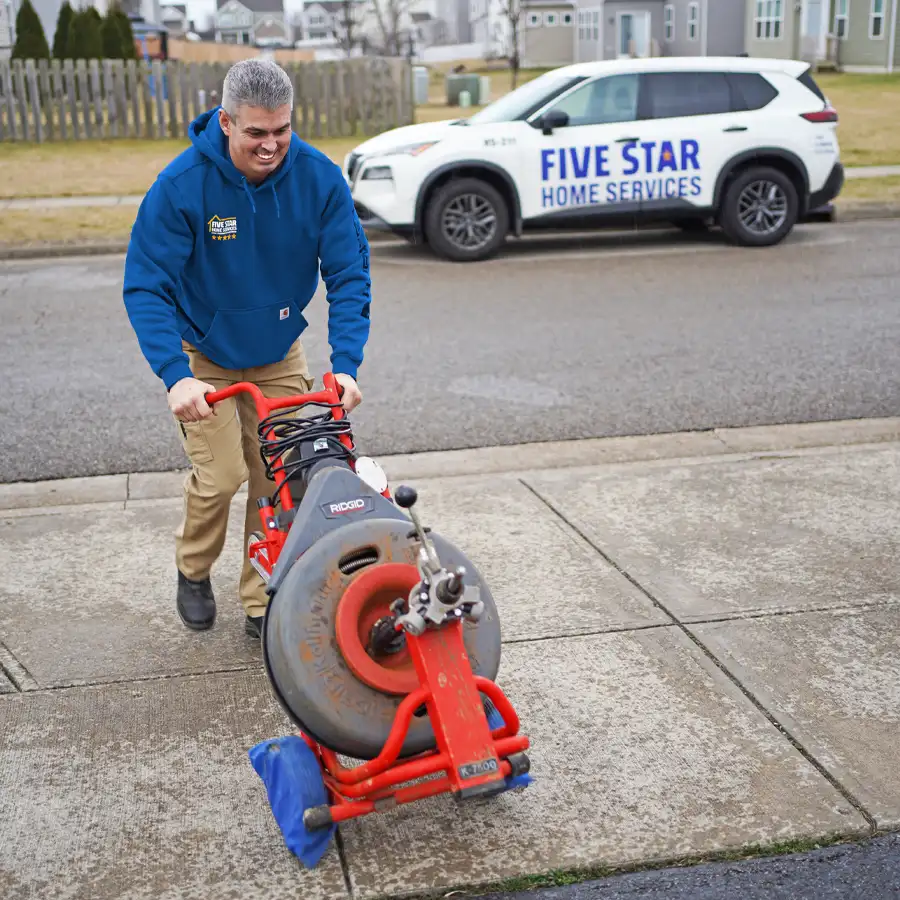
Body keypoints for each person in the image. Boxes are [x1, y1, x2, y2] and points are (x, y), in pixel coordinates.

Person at [122, 58, 371, 640]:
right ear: (226, 122)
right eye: (256, 132)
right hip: (204, 356)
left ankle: (262, 597)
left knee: (280, 478)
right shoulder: (183, 186)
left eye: (281, 130)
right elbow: (146, 284)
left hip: (278, 352)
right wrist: (174, 375)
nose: (271, 145)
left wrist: (347, 362)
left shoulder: (317, 178)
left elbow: (350, 271)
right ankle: (193, 568)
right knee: (223, 476)